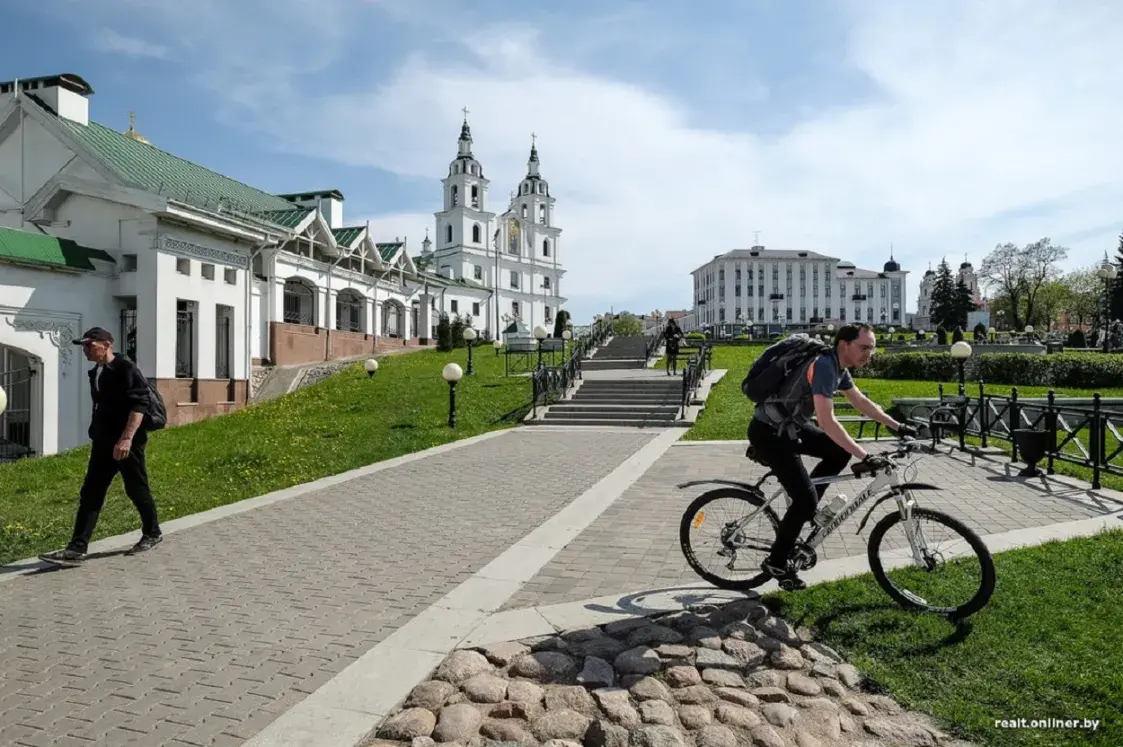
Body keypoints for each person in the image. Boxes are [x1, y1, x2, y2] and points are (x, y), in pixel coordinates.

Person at [748, 323, 914, 590]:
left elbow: (860, 402)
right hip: (770, 434)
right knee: (804, 499)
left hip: (789, 426)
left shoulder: (838, 366)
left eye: (872, 348)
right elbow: (826, 421)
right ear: (844, 344)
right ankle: (776, 562)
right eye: (864, 348)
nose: (869, 354)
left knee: (837, 453)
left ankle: (809, 509)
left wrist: (898, 426)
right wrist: (864, 455)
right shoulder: (825, 366)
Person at [39, 327, 162, 567]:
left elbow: (140, 404)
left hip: (127, 442)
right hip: (103, 442)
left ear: (106, 344)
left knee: (136, 488)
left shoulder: (125, 368)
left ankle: (152, 532)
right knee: (91, 493)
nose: (85, 350)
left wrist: (126, 438)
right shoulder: (97, 371)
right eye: (83, 346)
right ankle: (76, 549)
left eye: (89, 345)